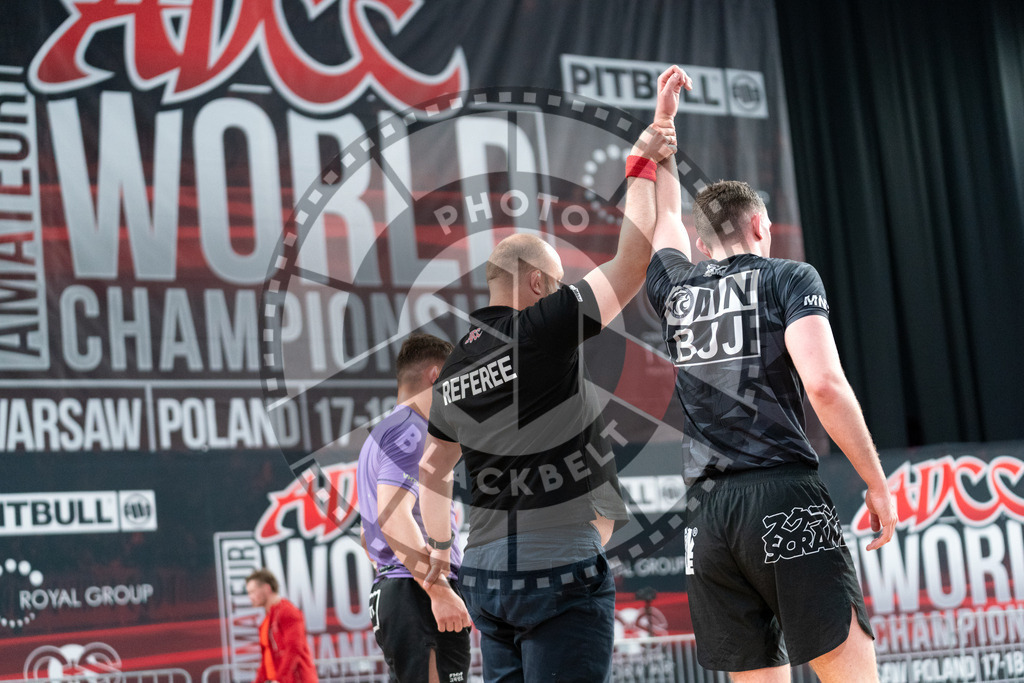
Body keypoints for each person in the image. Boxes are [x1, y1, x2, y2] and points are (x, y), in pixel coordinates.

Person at [415, 68, 689, 683]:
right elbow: (634, 259)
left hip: (485, 577)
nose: (565, 292)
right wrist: (643, 158)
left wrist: (438, 556)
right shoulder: (541, 326)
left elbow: (433, 471)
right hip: (555, 566)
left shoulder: (454, 366)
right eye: (559, 283)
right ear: (538, 285)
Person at [644, 65, 898, 682]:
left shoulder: (676, 287)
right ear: (761, 225)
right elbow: (825, 386)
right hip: (784, 496)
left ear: (702, 245)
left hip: (708, 519)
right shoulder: (788, 277)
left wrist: (664, 125)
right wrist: (876, 481)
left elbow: (663, 220)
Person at [356, 333, 472, 683]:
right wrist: (438, 591)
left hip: (401, 588)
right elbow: (393, 518)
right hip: (416, 593)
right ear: (436, 375)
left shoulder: (381, 434)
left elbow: (367, 535)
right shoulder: (413, 429)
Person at [245, 568, 317, 683]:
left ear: (267, 588)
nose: (250, 597)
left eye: (252, 591)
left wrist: (279, 679)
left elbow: (294, 649)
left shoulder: (287, 611)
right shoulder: (268, 619)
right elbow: (267, 658)